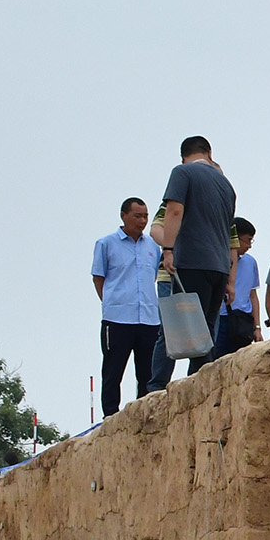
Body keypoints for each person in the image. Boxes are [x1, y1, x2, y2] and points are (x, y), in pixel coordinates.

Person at [151, 135, 238, 377]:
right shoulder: (226, 184)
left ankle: (157, 385)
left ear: (183, 156)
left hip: (192, 261)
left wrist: (168, 250)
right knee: (206, 332)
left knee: (178, 327)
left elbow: (174, 210)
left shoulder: (183, 172)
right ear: (209, 154)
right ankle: (201, 381)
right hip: (220, 266)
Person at [90, 197, 167, 416]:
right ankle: (110, 415)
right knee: (113, 370)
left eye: (145, 216)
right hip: (118, 318)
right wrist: (110, 301)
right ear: (123, 216)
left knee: (147, 371)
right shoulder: (106, 244)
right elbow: (99, 277)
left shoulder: (152, 246)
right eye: (137, 216)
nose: (142, 221)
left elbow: (152, 274)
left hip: (148, 318)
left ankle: (144, 413)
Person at [216, 219, 261, 358]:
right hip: (221, 319)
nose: (249, 246)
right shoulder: (218, 259)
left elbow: (253, 296)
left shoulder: (250, 262)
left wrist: (257, 327)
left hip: (243, 321)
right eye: (247, 240)